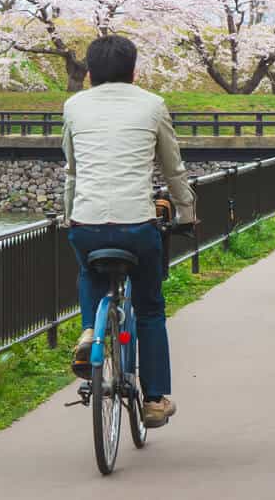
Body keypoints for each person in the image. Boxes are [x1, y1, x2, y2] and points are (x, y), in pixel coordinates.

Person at [63, 35, 195, 428]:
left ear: (89, 73)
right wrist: (186, 211)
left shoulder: (73, 106)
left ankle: (90, 331)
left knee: (89, 270)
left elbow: (72, 170)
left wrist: (69, 214)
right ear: (133, 71)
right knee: (151, 309)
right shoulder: (152, 105)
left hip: (87, 223)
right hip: (136, 225)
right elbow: (173, 169)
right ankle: (154, 400)